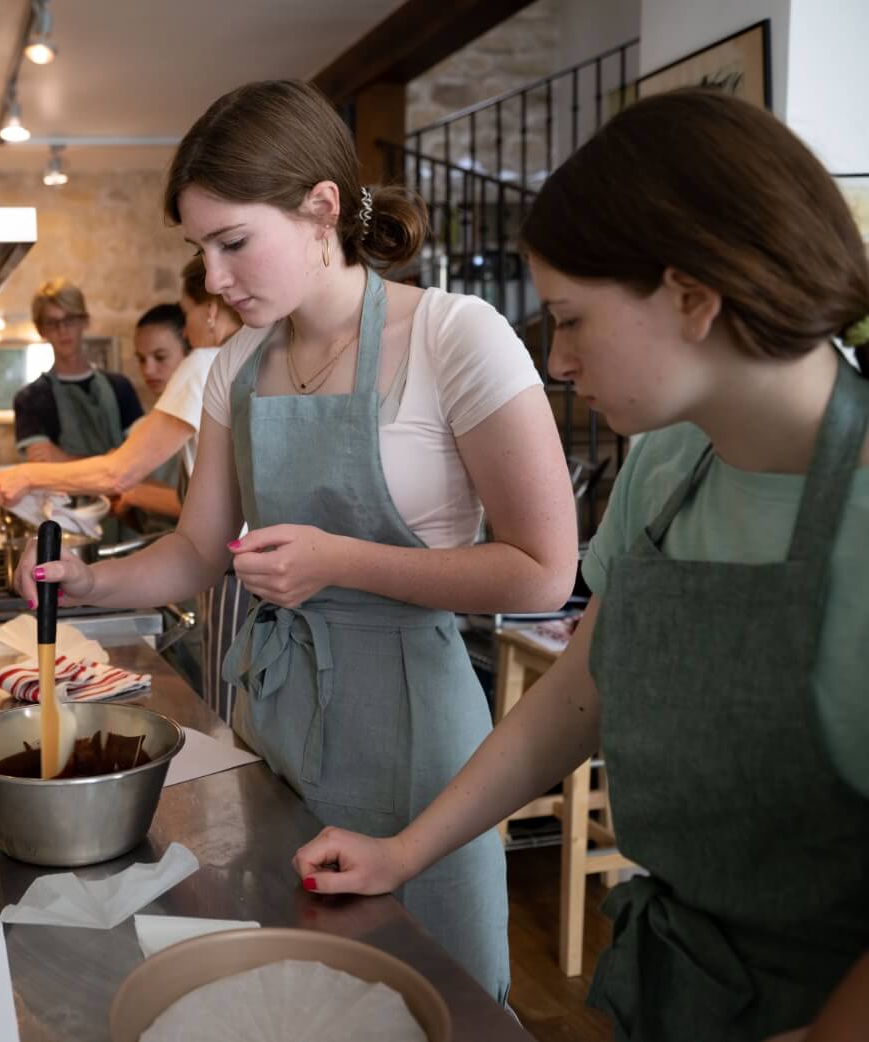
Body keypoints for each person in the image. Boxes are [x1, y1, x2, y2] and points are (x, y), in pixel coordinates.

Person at [292, 89, 869, 1042]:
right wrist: (406, 850)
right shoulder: (671, 466)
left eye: (571, 319)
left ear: (692, 296)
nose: (557, 360)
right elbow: (581, 691)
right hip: (678, 981)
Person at [14, 79, 577, 1000]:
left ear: (322, 208)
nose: (216, 279)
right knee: (297, 995)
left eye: (234, 242)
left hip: (417, 743)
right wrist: (88, 583)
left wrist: (336, 561)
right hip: (273, 722)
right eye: (202, 250)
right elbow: (197, 551)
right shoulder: (237, 364)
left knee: (439, 997)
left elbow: (545, 570)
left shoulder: (453, 338)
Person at [0, 269, 241, 518]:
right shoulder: (239, 360)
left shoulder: (203, 363)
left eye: (186, 314)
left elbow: (118, 472)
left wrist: (26, 475)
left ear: (211, 310)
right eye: (52, 323)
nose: (185, 332)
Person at [11, 278, 144, 463]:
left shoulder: (120, 387)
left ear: (85, 321)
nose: (62, 330)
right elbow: (42, 464)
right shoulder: (29, 399)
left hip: (123, 491)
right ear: (41, 330)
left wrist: (64, 458)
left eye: (70, 319)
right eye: (52, 322)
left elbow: (140, 457)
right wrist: (111, 461)